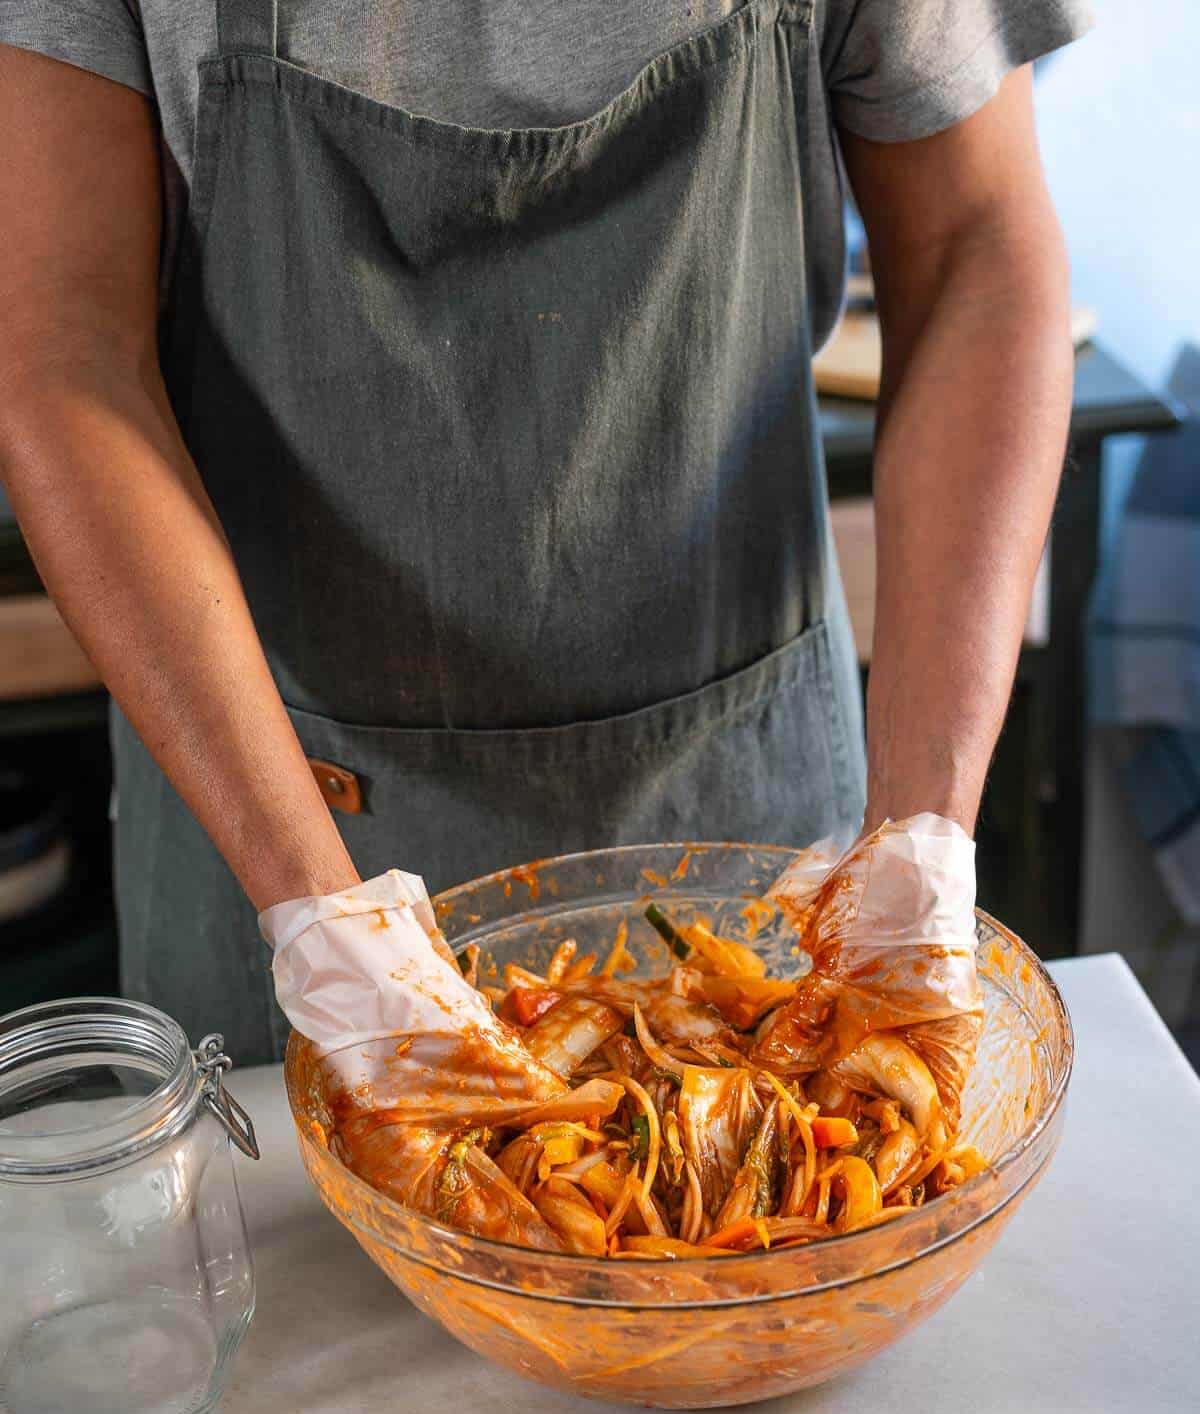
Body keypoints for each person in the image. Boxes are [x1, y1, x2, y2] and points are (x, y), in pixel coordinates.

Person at [0, 2, 1090, 1067]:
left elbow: (974, 254)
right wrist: (319, 918)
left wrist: (926, 832)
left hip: (750, 833)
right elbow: (61, 352)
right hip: (273, 820)